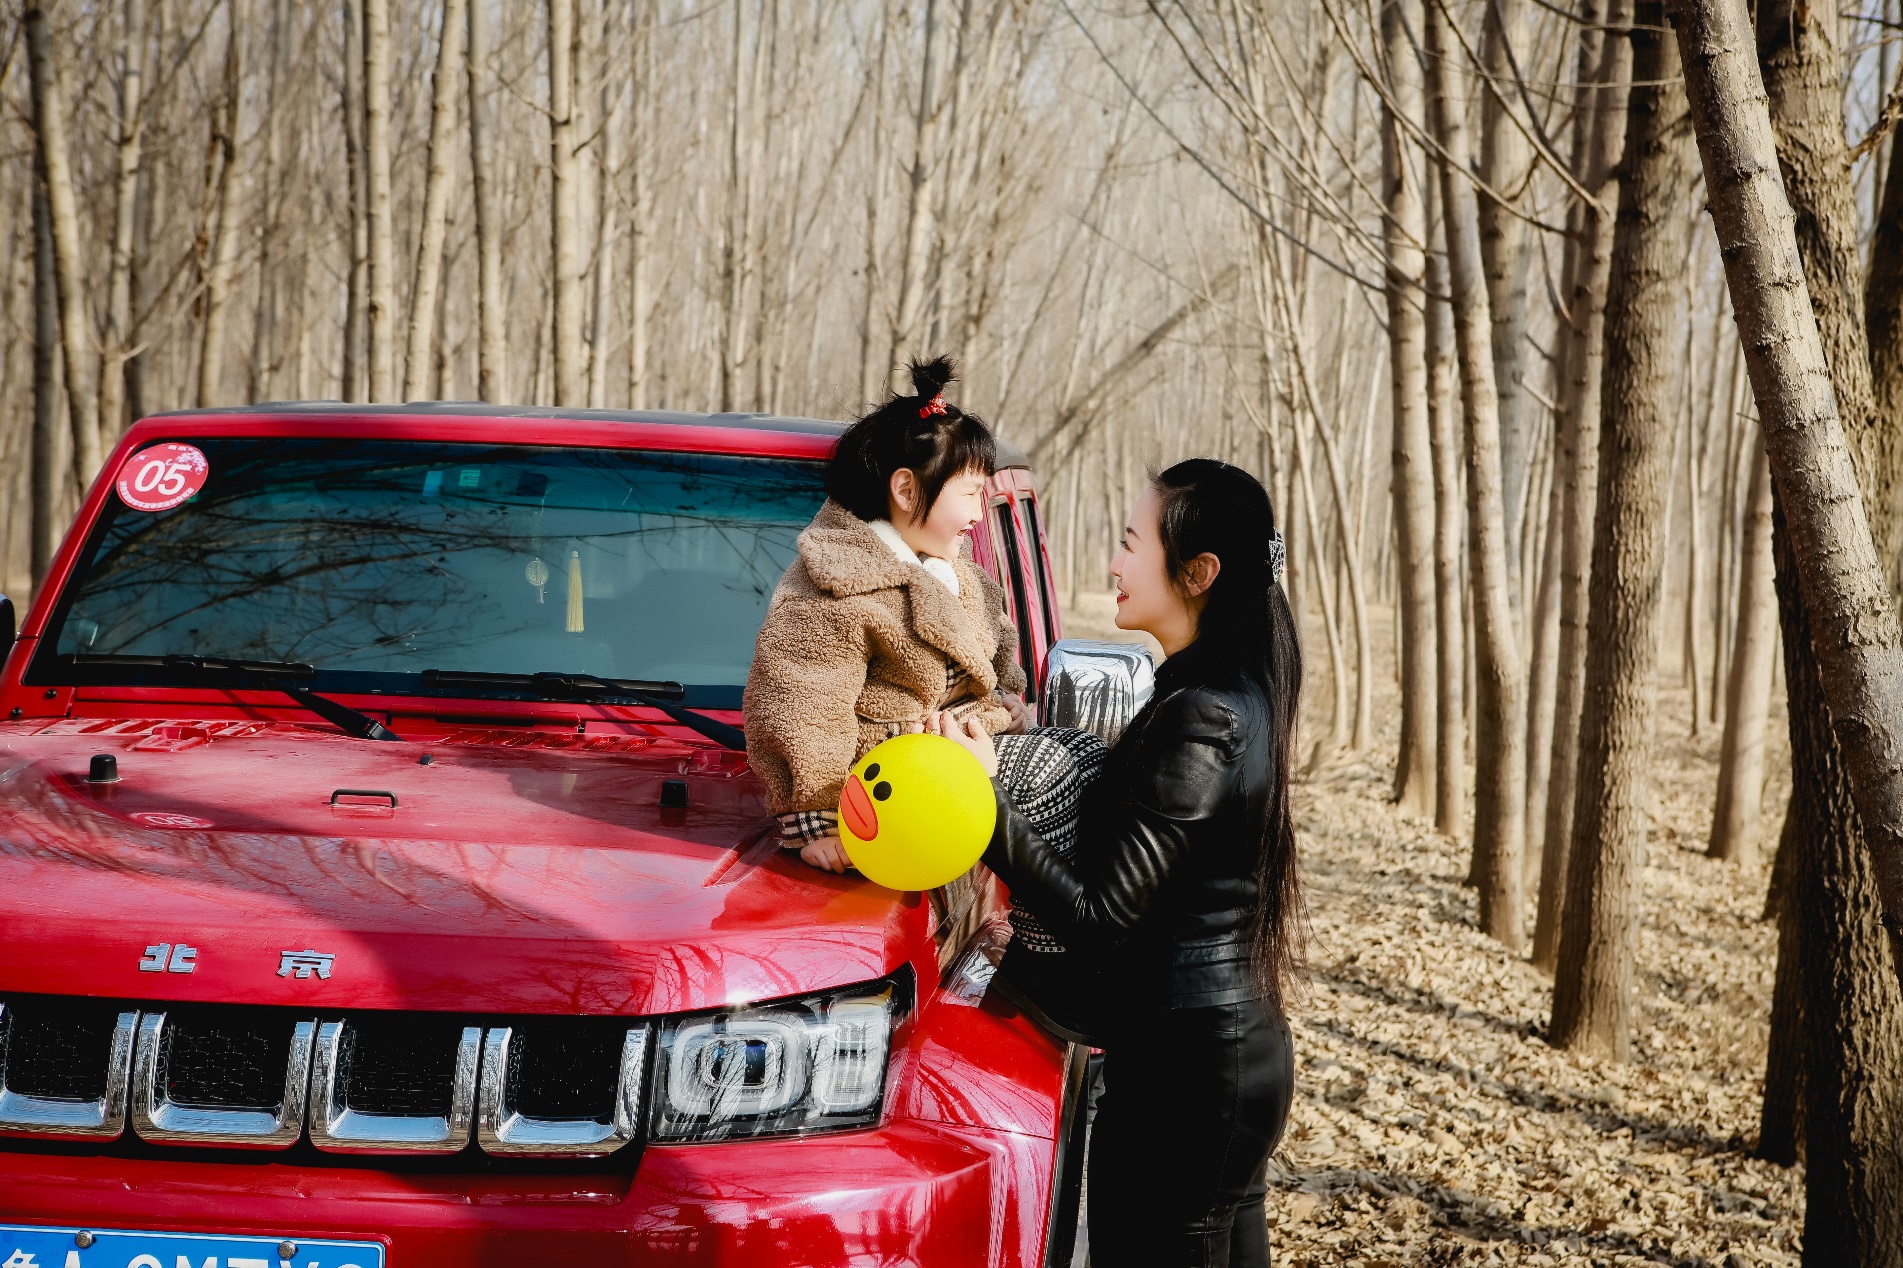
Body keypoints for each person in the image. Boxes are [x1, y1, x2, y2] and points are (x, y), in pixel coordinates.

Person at [930, 458, 1303, 1267]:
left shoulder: (1203, 714)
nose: (1113, 563)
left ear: (1197, 574)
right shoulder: (1222, 690)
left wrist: (982, 806)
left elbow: (1100, 918)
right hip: (1218, 1059)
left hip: (1186, 1079)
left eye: (1133, 543)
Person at [748, 357, 1103, 892]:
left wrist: (1006, 703)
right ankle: (1051, 945)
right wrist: (818, 822)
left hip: (950, 766)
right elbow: (798, 706)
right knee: (1048, 773)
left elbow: (1000, 657)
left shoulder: (958, 575)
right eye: (969, 494)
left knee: (1085, 756)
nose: (980, 513)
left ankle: (1075, 930)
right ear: (907, 491)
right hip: (880, 791)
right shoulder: (836, 585)